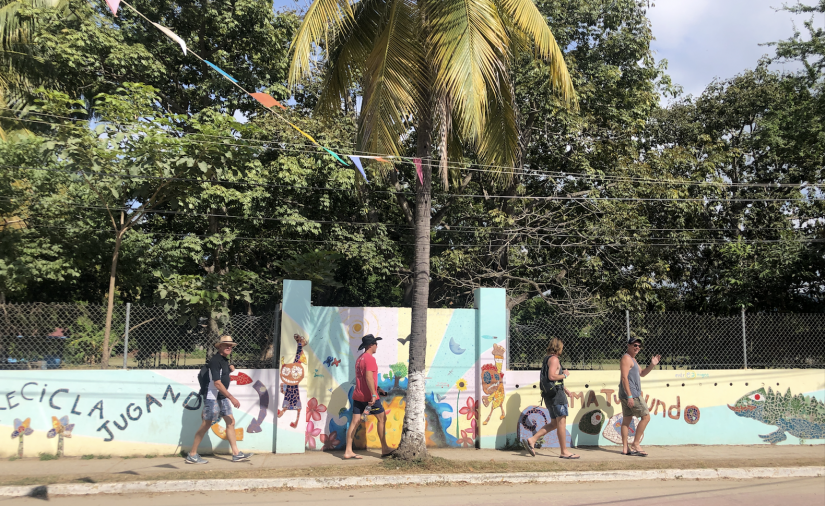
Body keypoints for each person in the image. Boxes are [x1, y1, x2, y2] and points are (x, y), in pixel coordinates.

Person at [185, 335, 252, 464]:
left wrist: (230, 370)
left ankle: (236, 453)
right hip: (213, 398)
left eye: (231, 345)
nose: (229, 347)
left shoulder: (224, 360)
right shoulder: (215, 361)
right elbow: (217, 383)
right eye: (226, 345)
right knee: (206, 425)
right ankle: (192, 455)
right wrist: (231, 397)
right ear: (219, 346)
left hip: (221, 396)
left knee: (230, 421)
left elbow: (221, 377)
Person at [521, 337, 579, 459]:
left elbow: (552, 381)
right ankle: (564, 451)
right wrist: (565, 375)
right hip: (557, 397)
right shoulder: (554, 359)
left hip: (551, 395)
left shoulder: (547, 359)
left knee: (554, 424)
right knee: (561, 423)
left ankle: (532, 440)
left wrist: (566, 390)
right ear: (558, 347)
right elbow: (552, 376)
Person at [343, 334, 391, 459]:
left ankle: (348, 451)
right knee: (382, 419)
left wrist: (378, 389)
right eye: (376, 343)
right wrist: (374, 394)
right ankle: (385, 448)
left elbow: (365, 379)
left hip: (358, 395)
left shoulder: (360, 358)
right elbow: (369, 377)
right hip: (369, 397)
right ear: (371, 345)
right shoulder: (370, 359)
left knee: (354, 422)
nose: (377, 346)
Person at [619, 336, 661, 457]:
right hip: (632, 394)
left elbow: (642, 373)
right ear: (628, 346)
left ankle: (625, 448)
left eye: (638, 346)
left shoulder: (633, 359)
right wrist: (630, 396)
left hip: (628, 394)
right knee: (646, 417)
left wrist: (652, 365)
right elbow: (624, 378)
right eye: (634, 345)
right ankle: (636, 444)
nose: (637, 347)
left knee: (627, 420)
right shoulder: (626, 359)